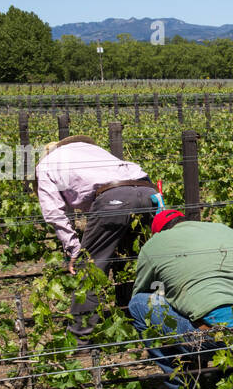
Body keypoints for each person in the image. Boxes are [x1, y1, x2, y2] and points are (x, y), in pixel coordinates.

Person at [128, 210, 233, 389]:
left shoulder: (154, 244)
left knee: (139, 304)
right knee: (227, 310)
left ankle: (180, 386)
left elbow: (142, 290)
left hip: (213, 339)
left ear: (159, 232)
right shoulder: (224, 229)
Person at [34, 135, 161, 335]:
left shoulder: (46, 165)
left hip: (114, 197)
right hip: (147, 191)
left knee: (90, 269)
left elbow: (53, 213)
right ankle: (140, 324)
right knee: (131, 263)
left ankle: (80, 338)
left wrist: (74, 249)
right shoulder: (91, 150)